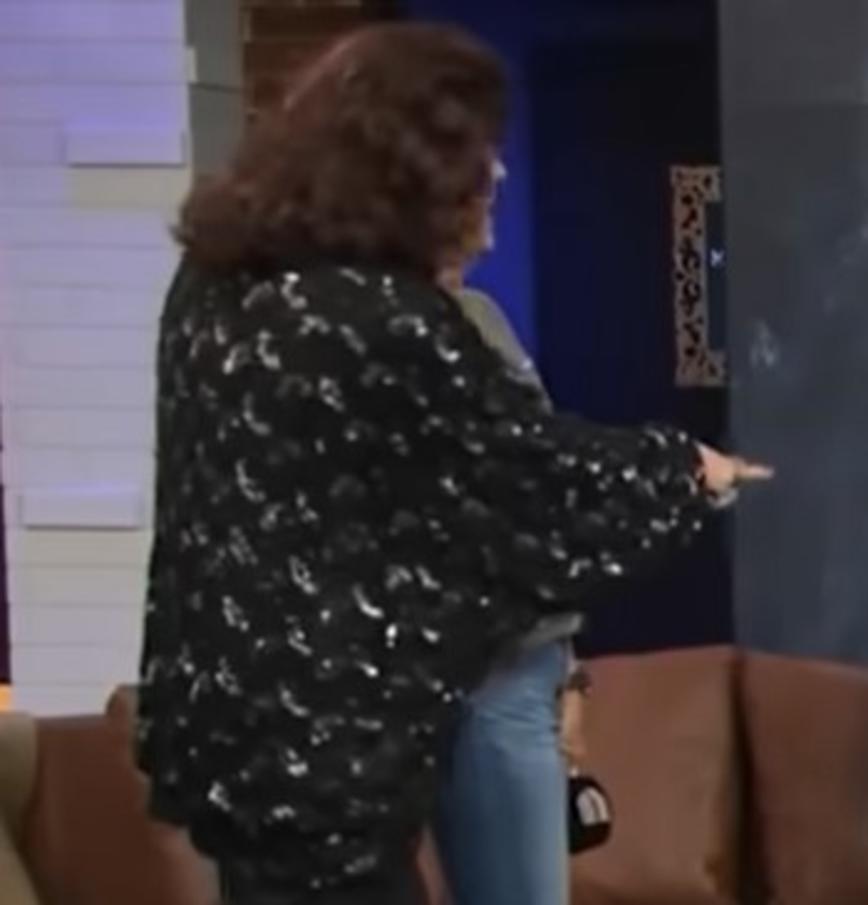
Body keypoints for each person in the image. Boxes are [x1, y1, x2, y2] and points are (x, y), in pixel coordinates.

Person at [133, 22, 770, 905]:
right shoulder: (384, 322)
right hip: (328, 761)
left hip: (237, 749)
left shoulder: (213, 287)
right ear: (411, 172)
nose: (491, 200)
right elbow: (526, 475)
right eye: (476, 171)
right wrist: (683, 471)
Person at [431, 268, 594, 905]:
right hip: (452, 674)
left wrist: (569, 669)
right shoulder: (349, 334)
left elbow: (537, 494)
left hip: (515, 666)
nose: (482, 243)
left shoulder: (476, 316)